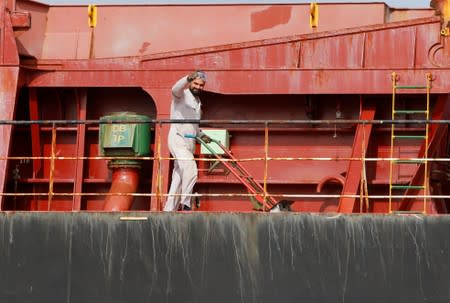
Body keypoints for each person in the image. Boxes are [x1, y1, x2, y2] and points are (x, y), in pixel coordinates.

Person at [163, 71, 211, 211]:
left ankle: (169, 210)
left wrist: (202, 136)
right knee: (190, 168)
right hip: (178, 139)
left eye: (201, 85)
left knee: (178, 178)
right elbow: (175, 89)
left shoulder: (197, 102)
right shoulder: (181, 96)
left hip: (189, 142)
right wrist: (186, 78)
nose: (198, 87)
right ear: (190, 82)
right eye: (195, 83)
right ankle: (186, 203)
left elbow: (193, 126)